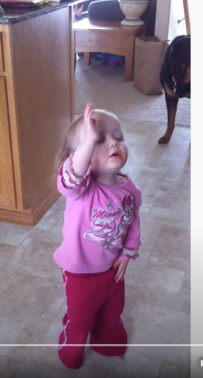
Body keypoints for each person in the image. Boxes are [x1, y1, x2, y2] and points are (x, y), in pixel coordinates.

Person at [53, 102, 142, 369]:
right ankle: (70, 351)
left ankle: (108, 344)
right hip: (79, 272)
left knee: (111, 314)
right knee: (81, 319)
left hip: (112, 269)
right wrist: (88, 142)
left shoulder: (129, 190)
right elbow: (71, 176)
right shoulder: (80, 188)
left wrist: (127, 253)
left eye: (118, 137)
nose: (114, 143)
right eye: (98, 140)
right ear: (79, 155)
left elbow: (132, 221)